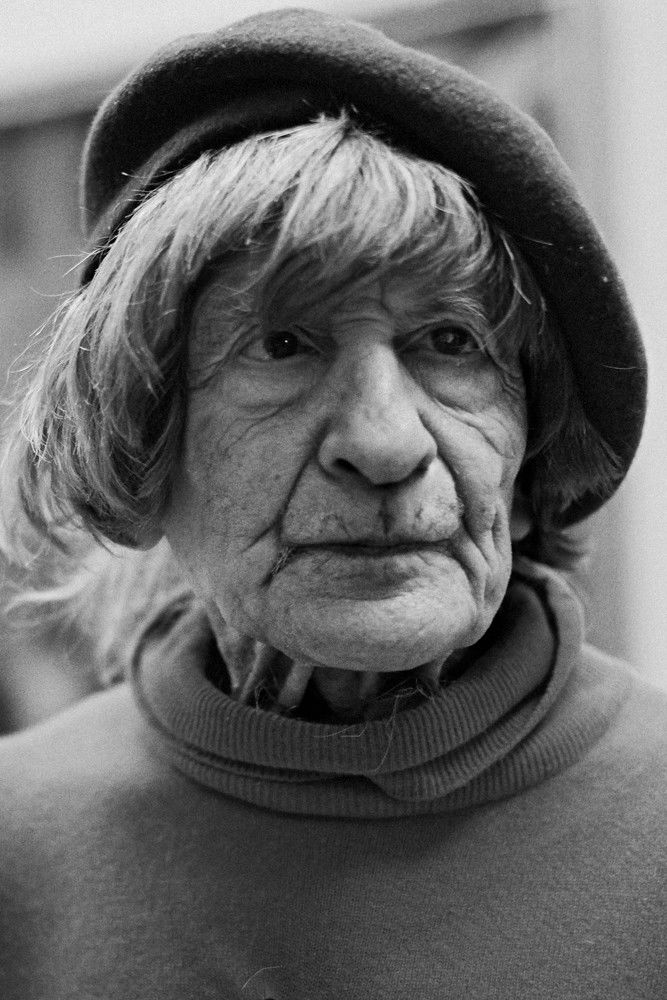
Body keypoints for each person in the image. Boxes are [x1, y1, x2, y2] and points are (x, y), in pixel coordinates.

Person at [0, 8, 664, 999]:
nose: (386, 444)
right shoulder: (19, 847)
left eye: (450, 342)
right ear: (143, 440)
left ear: (531, 458)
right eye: (282, 345)